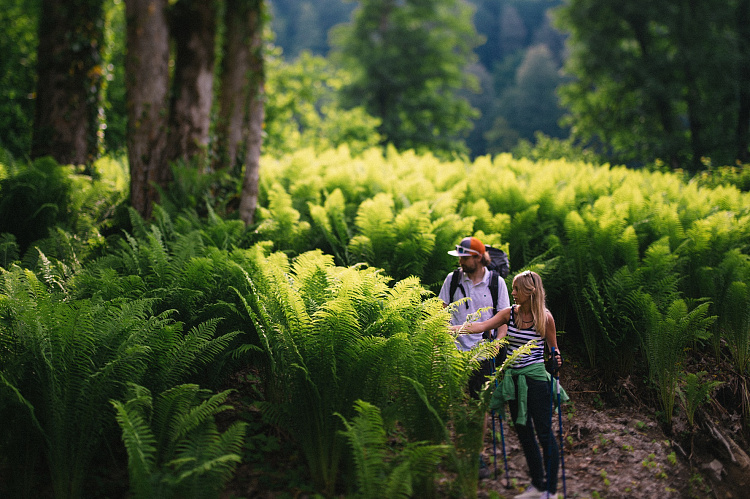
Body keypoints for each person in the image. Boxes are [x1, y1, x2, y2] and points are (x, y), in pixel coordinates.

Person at [451, 270, 566, 499]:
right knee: (523, 433)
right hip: (513, 381)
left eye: (516, 289)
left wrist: (556, 359)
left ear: (529, 292)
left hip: (536, 382)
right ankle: (537, 485)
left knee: (544, 434)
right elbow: (482, 326)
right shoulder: (509, 314)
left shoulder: (546, 318)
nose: (512, 293)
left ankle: (551, 491)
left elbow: (553, 349)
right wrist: (451, 330)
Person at [438, 236, 510, 479]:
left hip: (482, 353)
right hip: (455, 353)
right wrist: (440, 342)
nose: (459, 260)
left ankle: (476, 455)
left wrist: (498, 344)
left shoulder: (496, 283)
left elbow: (504, 317)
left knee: (480, 408)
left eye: (464, 256)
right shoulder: (452, 279)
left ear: (478, 258)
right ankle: (457, 451)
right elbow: (440, 312)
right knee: (455, 405)